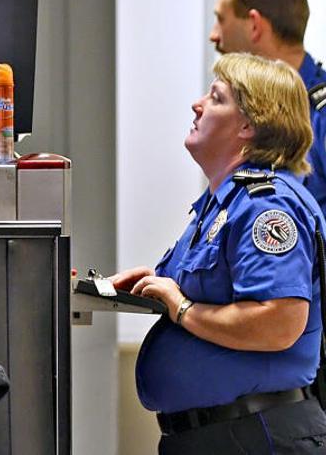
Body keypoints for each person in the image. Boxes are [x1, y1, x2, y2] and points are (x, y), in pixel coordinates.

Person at [112, 53, 326, 454]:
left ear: (248, 125)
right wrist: (158, 287)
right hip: (217, 434)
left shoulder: (267, 207)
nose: (198, 104)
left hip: (255, 434)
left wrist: (182, 308)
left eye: (216, 97)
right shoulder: (223, 204)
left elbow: (279, 321)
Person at [210, 0, 326, 216]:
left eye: (221, 19)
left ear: (254, 25)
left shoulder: (321, 116)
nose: (214, 35)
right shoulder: (245, 113)